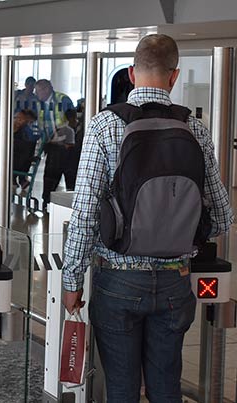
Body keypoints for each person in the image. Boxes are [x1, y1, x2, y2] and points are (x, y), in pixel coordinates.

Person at [62, 34, 234, 402]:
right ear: (174, 76)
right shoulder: (196, 130)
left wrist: (71, 280)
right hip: (175, 283)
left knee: (122, 390)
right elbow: (222, 217)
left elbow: (85, 212)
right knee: (165, 389)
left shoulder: (104, 126)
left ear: (131, 73)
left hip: (118, 281)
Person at [34, 79, 74, 207]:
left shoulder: (62, 99)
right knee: (50, 175)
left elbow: (72, 120)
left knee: (68, 174)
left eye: (38, 90)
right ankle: (47, 202)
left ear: (46, 89)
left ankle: (70, 203)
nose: (36, 93)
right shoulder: (40, 104)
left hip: (65, 145)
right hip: (52, 145)